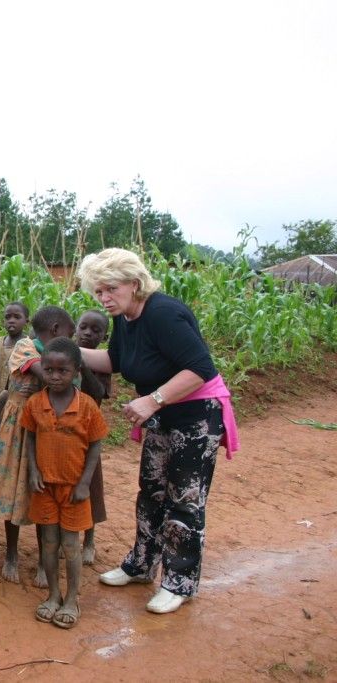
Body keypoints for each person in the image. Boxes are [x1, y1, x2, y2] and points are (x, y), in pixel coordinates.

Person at [77, 248, 238, 614]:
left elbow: (200, 369)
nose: (104, 298)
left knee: (185, 498)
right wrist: (64, 350)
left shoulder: (163, 313)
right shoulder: (125, 318)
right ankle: (141, 564)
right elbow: (115, 361)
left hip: (195, 415)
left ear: (134, 283)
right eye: (98, 291)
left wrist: (153, 400)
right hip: (163, 414)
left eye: (111, 288)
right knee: (151, 490)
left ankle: (179, 582)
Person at [0, 305, 76, 586]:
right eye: (69, 335)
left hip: (46, 427)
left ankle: (42, 560)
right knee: (12, 489)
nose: (70, 341)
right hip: (17, 430)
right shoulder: (24, 347)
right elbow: (51, 377)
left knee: (42, 492)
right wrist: (67, 368)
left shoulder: (50, 353)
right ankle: (11, 554)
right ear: (56, 330)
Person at [25, 337, 108, 629]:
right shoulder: (35, 403)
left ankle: (72, 600)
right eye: (49, 370)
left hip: (74, 489)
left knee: (71, 545)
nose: (55, 376)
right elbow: (30, 437)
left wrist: (85, 483)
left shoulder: (87, 406)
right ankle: (53, 595)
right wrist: (33, 471)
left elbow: (95, 446)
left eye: (63, 371)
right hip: (44, 487)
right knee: (48, 543)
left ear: (76, 371)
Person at [74, 309, 111, 565]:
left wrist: (85, 366)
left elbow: (99, 392)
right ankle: (67, 536)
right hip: (64, 430)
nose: (88, 333)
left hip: (88, 433)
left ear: (104, 337)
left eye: (95, 330)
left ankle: (89, 540)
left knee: (91, 485)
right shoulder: (65, 353)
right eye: (83, 327)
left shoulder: (102, 362)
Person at [0, 302, 30, 397]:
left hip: (17, 399)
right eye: (7, 317)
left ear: (26, 321)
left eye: (17, 317)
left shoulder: (29, 345)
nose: (11, 320)